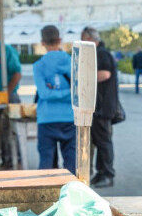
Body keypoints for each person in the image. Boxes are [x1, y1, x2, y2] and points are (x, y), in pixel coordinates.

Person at [32, 25, 75, 172]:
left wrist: (54, 93)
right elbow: (77, 91)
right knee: (72, 164)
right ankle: (73, 192)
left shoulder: (39, 66)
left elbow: (43, 94)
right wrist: (67, 92)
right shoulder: (72, 62)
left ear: (42, 42)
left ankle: (46, 194)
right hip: (69, 117)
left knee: (47, 164)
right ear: (60, 40)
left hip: (46, 118)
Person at [82, 27, 121, 187]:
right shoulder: (98, 53)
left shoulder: (101, 53)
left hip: (103, 106)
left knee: (104, 142)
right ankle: (101, 172)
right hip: (99, 106)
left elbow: (105, 74)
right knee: (99, 141)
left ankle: (108, 174)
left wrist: (84, 78)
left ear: (91, 39)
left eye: (83, 39)